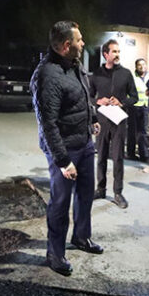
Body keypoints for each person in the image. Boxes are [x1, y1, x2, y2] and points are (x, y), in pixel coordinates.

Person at [30, 20, 102, 276]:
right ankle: (55, 254)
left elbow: (84, 95)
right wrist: (62, 161)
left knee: (85, 195)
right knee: (60, 203)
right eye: (79, 40)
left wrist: (92, 118)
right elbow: (48, 123)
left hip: (84, 143)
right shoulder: (47, 75)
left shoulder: (75, 65)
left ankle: (81, 238)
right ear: (65, 46)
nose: (84, 44)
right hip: (65, 151)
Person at [89, 39, 138, 209]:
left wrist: (121, 102)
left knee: (118, 157)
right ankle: (100, 189)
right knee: (101, 156)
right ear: (105, 54)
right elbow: (88, 97)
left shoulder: (126, 73)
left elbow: (135, 97)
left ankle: (118, 192)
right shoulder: (96, 74)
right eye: (114, 52)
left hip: (119, 122)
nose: (117, 55)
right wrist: (98, 101)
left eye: (118, 52)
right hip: (102, 121)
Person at [126, 58, 149, 162]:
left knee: (143, 132)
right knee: (132, 131)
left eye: (144, 64)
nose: (142, 67)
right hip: (134, 107)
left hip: (145, 106)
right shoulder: (131, 77)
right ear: (136, 67)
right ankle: (131, 153)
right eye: (139, 65)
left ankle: (144, 155)